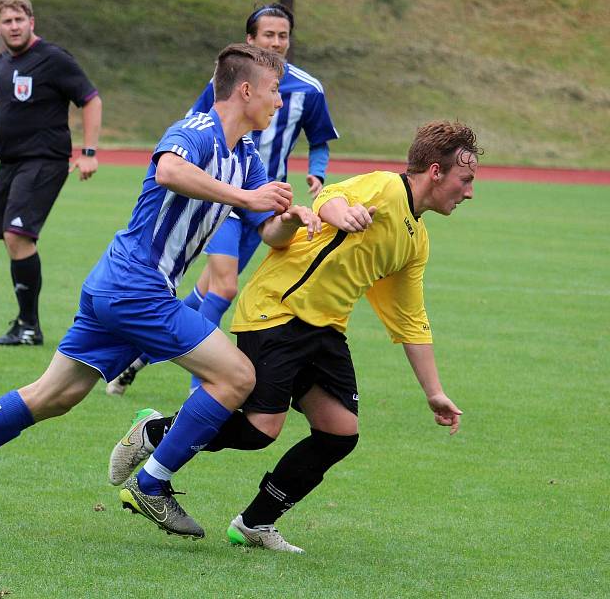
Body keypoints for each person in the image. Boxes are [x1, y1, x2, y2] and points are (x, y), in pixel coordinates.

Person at [0, 43, 330, 540]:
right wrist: (244, 197)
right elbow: (169, 170)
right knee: (236, 377)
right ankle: (152, 483)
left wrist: (293, 219)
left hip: (121, 284)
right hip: (136, 286)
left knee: (53, 396)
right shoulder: (194, 130)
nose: (280, 103)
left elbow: (265, 226)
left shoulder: (247, 156)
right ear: (246, 90)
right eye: (275, 91)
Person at [109, 120, 481, 552]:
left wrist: (433, 392)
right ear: (435, 171)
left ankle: (254, 523)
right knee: (260, 430)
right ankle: (155, 432)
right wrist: (340, 213)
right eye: (465, 179)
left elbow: (410, 318)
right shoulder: (386, 188)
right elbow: (330, 197)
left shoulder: (417, 241)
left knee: (339, 433)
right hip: (277, 310)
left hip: (325, 329)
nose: (469, 192)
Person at [106, 2, 338, 395]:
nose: (277, 42)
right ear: (250, 41)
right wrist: (241, 195)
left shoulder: (308, 90)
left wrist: (315, 172)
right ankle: (204, 384)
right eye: (269, 35)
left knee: (206, 290)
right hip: (221, 197)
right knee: (225, 287)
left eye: (283, 36)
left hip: (262, 196)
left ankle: (140, 356)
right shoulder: (228, 88)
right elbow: (192, 133)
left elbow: (320, 141)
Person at [0, 0, 103, 346]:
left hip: (44, 160)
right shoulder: (0, 65)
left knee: (17, 236)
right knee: (14, 241)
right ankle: (26, 324)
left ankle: (30, 326)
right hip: (10, 163)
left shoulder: (54, 58)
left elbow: (91, 99)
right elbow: (0, 116)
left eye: (19, 19)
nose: (13, 26)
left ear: (31, 21)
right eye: (6, 21)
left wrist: (88, 152)